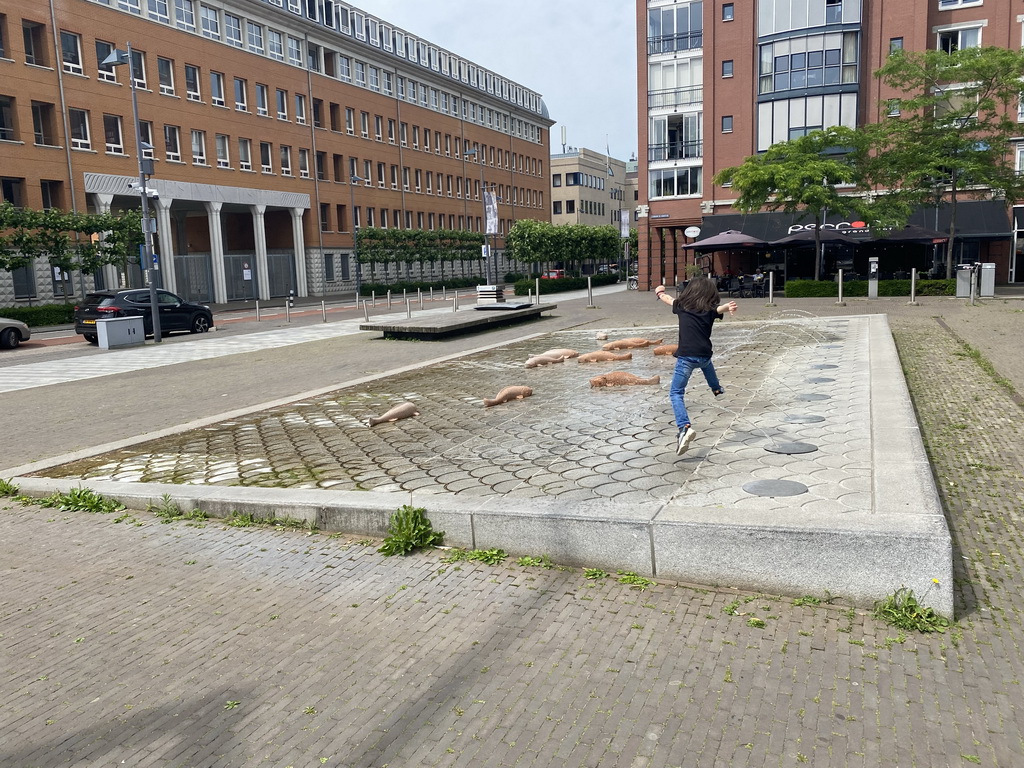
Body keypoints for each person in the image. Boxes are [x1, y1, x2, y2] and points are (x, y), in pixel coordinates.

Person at [654, 278, 737, 455]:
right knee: (706, 364)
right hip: (705, 355)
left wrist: (659, 292)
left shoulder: (681, 306)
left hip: (686, 357)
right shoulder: (708, 310)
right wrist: (727, 307)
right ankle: (716, 389)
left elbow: (668, 299)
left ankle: (684, 428)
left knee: (676, 393)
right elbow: (717, 309)